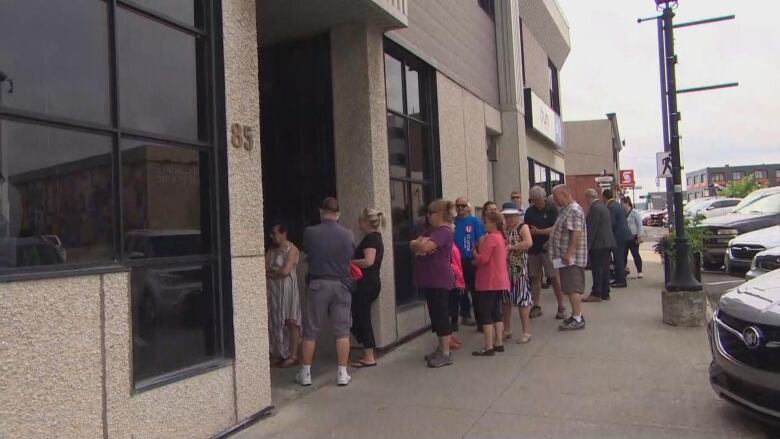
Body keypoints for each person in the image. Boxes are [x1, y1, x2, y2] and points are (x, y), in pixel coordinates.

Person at [296, 197, 356, 387]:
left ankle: (305, 373)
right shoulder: (348, 234)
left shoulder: (310, 232)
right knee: (342, 331)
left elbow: (307, 251)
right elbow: (350, 257)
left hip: (318, 284)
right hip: (341, 285)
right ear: (338, 214)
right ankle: (342, 372)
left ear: (322, 211)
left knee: (311, 329)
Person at [411, 199, 456, 368]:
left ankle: (446, 352)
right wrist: (418, 244)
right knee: (435, 315)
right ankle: (440, 348)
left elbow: (423, 247)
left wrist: (418, 245)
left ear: (439, 214)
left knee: (441, 314)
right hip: (429, 278)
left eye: (430, 213)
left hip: (439, 278)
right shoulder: (432, 230)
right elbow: (416, 243)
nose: (428, 216)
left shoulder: (443, 231)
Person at [350, 208, 385, 368]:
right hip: (371, 282)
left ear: (366, 222)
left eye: (360, 220)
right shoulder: (376, 237)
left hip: (366, 283)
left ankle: (369, 355)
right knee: (360, 316)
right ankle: (368, 351)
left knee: (362, 317)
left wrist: (349, 262)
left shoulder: (370, 238)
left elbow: (368, 261)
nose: (358, 223)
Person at [524, 186, 567, 319]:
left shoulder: (552, 209)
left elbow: (556, 228)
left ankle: (561, 306)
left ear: (543, 197)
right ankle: (536, 306)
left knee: (554, 277)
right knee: (535, 277)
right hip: (533, 250)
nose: (535, 202)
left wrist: (539, 232)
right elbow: (526, 228)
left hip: (549, 249)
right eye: (533, 200)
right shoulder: (529, 211)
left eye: (537, 199)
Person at [550, 185, 588, 331]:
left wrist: (569, 253)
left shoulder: (573, 210)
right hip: (566, 258)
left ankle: (578, 318)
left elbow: (576, 233)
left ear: (564, 194)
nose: (554, 200)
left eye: (556, 196)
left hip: (572, 259)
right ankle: (575, 315)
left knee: (573, 288)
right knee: (569, 287)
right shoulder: (565, 210)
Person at [471, 211, 509, 356]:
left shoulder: (491, 238)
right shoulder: (500, 237)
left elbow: (484, 259)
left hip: (488, 280)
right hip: (499, 280)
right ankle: (498, 342)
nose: (483, 224)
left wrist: (475, 255)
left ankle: (488, 346)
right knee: (496, 312)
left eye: (486, 222)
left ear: (493, 223)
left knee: (485, 313)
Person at [265, 222, 302, 368]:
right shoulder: (271, 250)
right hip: (273, 291)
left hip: (287, 290)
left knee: (291, 320)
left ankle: (293, 355)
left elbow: (285, 271)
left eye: (275, 233)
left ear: (283, 233)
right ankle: (278, 353)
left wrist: (271, 271)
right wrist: (275, 271)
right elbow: (264, 267)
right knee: (274, 321)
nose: (272, 236)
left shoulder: (291, 249)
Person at [499, 202, 534, 344]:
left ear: (517, 215)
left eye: (511, 216)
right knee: (505, 301)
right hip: (505, 270)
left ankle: (526, 332)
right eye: (507, 216)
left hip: (519, 270)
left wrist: (512, 247)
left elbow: (528, 243)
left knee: (522, 301)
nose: (509, 218)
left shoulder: (522, 227)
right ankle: (507, 329)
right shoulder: (504, 228)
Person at [454, 197, 484, 327]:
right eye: (458, 205)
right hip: (456, 261)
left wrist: (478, 255)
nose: (460, 208)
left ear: (467, 207)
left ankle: (480, 320)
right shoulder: (453, 222)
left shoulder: (474, 221)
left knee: (475, 291)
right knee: (460, 290)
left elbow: (481, 239)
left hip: (470, 260)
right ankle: (465, 315)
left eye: (463, 205)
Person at [583, 189, 616, 303]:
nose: (585, 201)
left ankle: (597, 293)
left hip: (598, 244)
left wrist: (587, 246)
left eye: (585, 198)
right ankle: (605, 292)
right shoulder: (603, 206)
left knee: (597, 269)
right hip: (607, 242)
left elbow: (592, 229)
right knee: (605, 268)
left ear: (588, 197)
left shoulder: (594, 208)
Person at [603, 189, 632, 288]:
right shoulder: (616, 205)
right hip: (624, 235)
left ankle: (620, 280)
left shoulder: (611, 206)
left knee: (618, 258)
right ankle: (619, 278)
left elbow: (612, 222)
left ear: (604, 197)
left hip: (618, 236)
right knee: (620, 258)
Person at [449, 243, 465, 350]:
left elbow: (455, 264)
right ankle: (449, 338)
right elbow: (454, 265)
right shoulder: (450, 246)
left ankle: (450, 337)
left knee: (452, 309)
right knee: (450, 309)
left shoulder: (451, 245)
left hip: (454, 280)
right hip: (453, 280)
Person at [623, 198, 644, 279]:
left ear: (627, 203)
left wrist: (639, 236)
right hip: (625, 237)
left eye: (622, 203)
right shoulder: (623, 213)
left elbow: (639, 225)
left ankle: (640, 271)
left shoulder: (635, 213)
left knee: (635, 254)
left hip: (633, 237)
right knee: (624, 255)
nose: (621, 205)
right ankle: (623, 270)